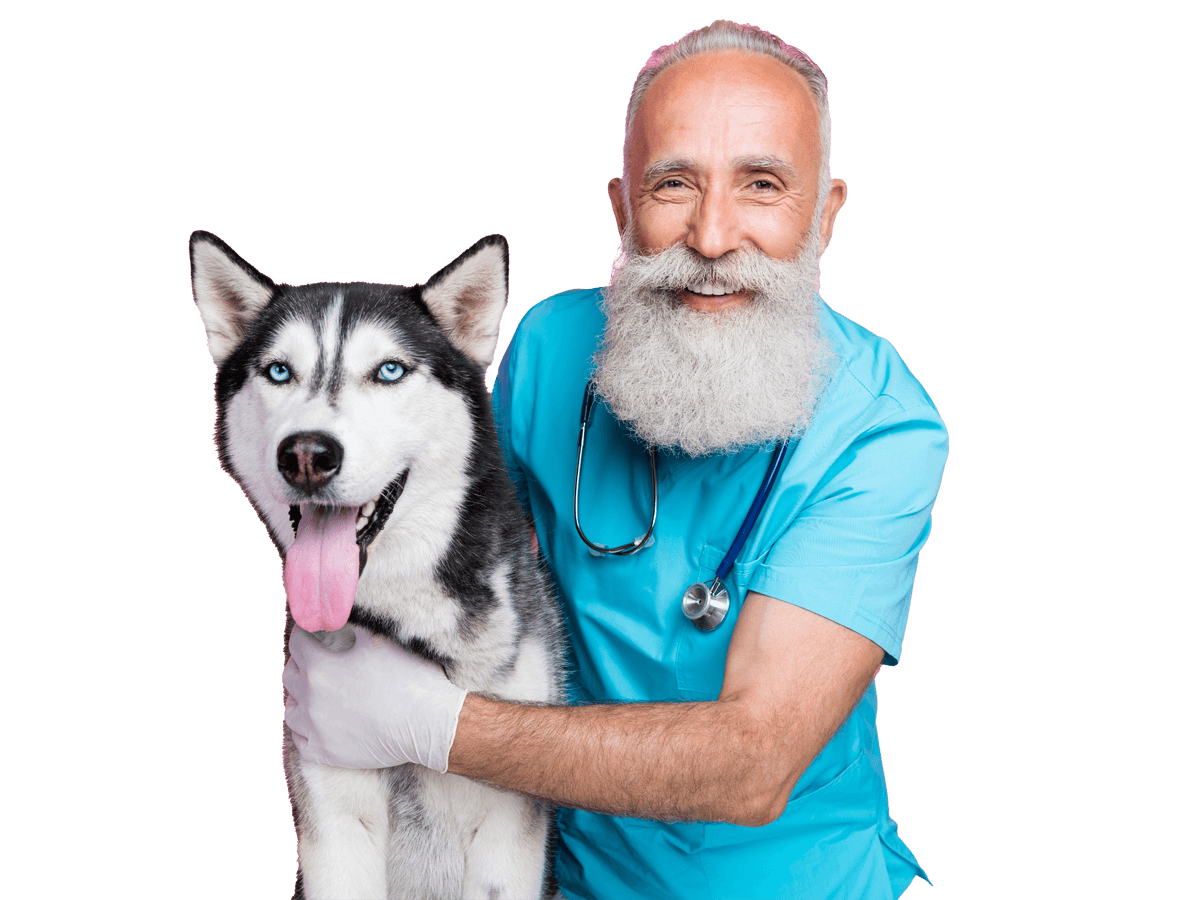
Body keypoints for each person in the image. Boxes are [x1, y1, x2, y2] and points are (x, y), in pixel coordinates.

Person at [284, 20, 947, 899]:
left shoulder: (883, 429)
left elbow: (752, 768)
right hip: (562, 879)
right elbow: (458, 577)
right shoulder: (553, 349)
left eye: (761, 185)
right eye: (674, 184)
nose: (711, 239)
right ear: (622, 208)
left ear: (824, 216)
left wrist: (430, 727)